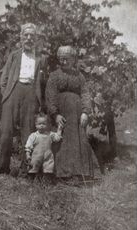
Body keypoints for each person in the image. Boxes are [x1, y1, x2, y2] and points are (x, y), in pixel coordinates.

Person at [0, 23, 48, 175]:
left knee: (28, 133)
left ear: (36, 39)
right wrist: (6, 95)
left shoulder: (42, 59)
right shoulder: (14, 55)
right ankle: (3, 169)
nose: (29, 38)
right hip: (13, 93)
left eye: (32, 36)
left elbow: (43, 82)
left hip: (31, 94)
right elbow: (4, 78)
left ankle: (26, 170)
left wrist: (40, 100)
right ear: (21, 37)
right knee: (6, 133)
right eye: (26, 35)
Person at [45, 45, 99, 179]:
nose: (64, 62)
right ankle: (62, 173)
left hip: (76, 115)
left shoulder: (79, 76)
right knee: (61, 140)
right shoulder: (54, 76)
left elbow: (85, 94)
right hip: (61, 114)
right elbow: (50, 95)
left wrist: (86, 112)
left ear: (73, 59)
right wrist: (55, 114)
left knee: (78, 140)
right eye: (61, 59)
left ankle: (79, 172)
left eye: (67, 59)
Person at [25, 113, 63, 180]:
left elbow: (57, 138)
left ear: (47, 125)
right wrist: (28, 154)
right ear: (36, 125)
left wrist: (59, 129)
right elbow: (28, 146)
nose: (42, 126)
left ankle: (46, 181)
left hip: (47, 156)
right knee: (33, 167)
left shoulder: (50, 134)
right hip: (36, 156)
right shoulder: (33, 135)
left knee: (48, 168)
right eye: (39, 124)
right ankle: (31, 179)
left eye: (44, 124)